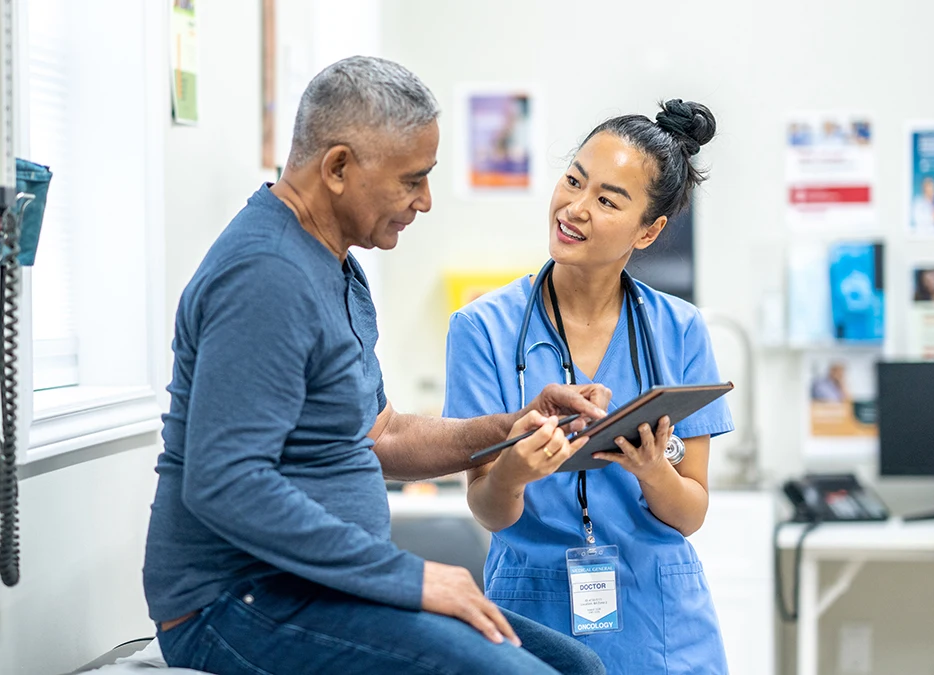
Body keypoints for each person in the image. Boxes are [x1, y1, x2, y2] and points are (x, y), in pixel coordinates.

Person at [143, 56, 608, 675]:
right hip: (234, 602)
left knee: (577, 666)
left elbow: (380, 434)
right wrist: (410, 578)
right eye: (411, 179)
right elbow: (225, 482)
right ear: (337, 167)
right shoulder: (267, 276)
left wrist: (508, 428)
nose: (425, 201)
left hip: (311, 589)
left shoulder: (335, 262)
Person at [443, 100, 735, 675]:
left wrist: (653, 470)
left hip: (663, 623)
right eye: (573, 180)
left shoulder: (680, 330)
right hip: (534, 611)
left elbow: (691, 511)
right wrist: (515, 471)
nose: (574, 208)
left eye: (606, 200)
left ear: (649, 230)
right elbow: (487, 507)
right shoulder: (481, 328)